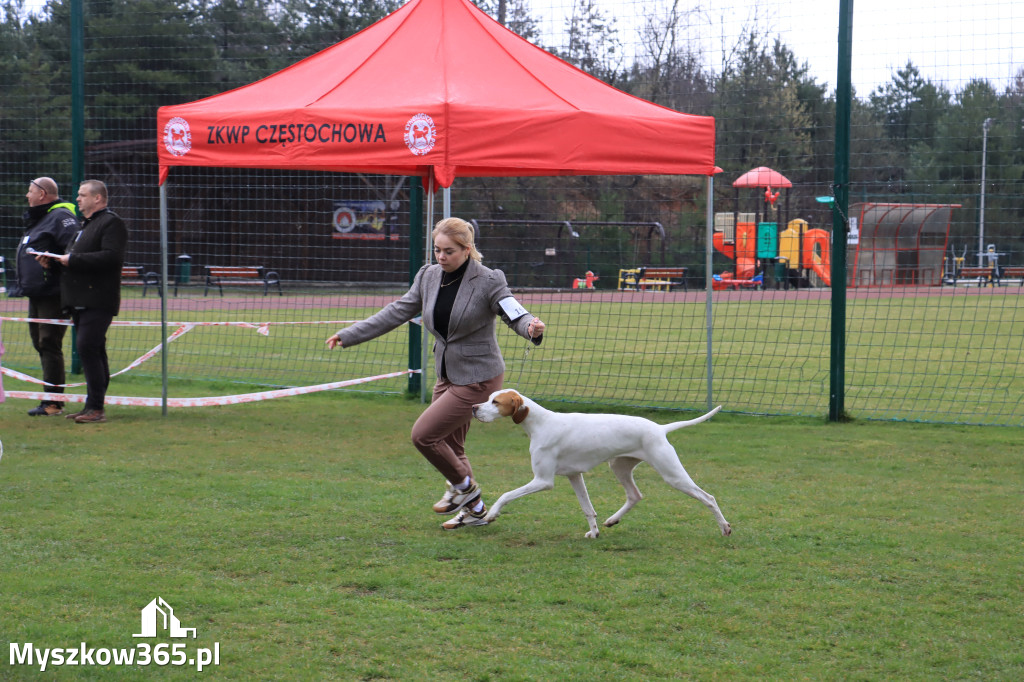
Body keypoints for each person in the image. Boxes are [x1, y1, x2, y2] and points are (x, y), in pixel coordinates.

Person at [326, 217, 546, 530]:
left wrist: (531, 328)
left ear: (467, 250)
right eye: (437, 250)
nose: (441, 257)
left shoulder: (489, 279)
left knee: (424, 436)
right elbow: (397, 311)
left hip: (479, 377)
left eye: (449, 251)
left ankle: (466, 490)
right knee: (452, 448)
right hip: (447, 373)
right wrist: (350, 334)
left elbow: (515, 313)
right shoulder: (428, 276)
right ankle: (476, 511)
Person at [36, 179, 127, 424]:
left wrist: (71, 260)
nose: (78, 199)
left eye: (83, 195)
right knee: (93, 349)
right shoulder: (83, 227)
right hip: (77, 298)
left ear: (97, 198)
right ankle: (92, 407)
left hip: (99, 298)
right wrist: (53, 262)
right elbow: (72, 261)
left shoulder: (111, 223)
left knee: (87, 347)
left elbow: (111, 257)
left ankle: (96, 408)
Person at [11, 177, 80, 416]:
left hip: (54, 293)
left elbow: (75, 252)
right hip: (37, 294)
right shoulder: (41, 219)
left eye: (30, 192)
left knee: (48, 343)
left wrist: (53, 262)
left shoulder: (61, 217)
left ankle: (53, 403)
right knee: (40, 344)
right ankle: (49, 398)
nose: (27, 196)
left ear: (42, 194)